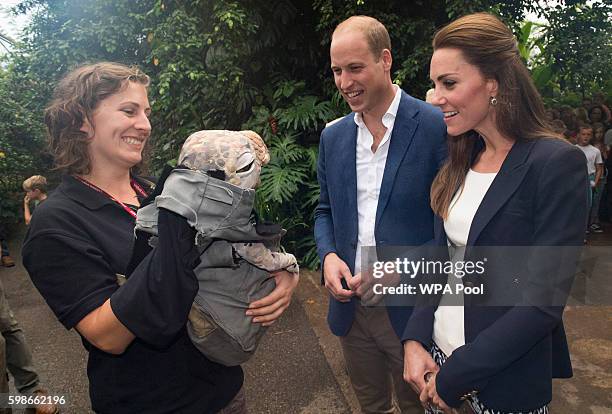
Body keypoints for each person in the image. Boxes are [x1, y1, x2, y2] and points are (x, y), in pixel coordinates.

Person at [22, 62, 298, 414]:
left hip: (224, 392)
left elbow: (229, 245)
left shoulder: (154, 188)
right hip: (150, 404)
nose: (145, 124)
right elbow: (108, 335)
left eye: (147, 113)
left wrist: (282, 272)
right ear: (80, 118)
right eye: (129, 110)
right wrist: (178, 226)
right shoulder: (57, 222)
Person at [402, 13, 587, 414]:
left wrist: (457, 377)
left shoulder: (555, 163)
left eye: (448, 83)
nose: (435, 97)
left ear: (494, 84)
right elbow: (439, 259)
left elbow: (542, 302)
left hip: (499, 382)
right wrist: (414, 340)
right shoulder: (460, 156)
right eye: (434, 85)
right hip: (436, 359)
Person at [314, 15, 447, 413]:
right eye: (337, 70)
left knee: (418, 406)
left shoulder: (434, 125)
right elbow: (324, 211)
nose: (344, 82)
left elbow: (453, 231)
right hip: (351, 308)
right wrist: (329, 257)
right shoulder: (333, 136)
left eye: (355, 68)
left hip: (412, 308)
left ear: (385, 60)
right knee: (370, 403)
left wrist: (402, 267)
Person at [575, 125, 604, 234]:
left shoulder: (595, 151)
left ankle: (584, 227)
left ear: (591, 136)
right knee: (576, 203)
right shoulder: (574, 149)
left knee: (588, 204)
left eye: (588, 134)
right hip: (577, 178)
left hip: (590, 178)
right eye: (583, 134)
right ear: (578, 135)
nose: (586, 137)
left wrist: (595, 183)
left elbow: (599, 168)